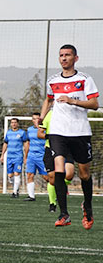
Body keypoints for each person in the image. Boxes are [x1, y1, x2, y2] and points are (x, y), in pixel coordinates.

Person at [40, 44, 99, 228]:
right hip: (58, 131)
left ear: (75, 58)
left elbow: (94, 104)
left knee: (84, 174)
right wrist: (41, 118)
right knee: (59, 169)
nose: (64, 58)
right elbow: (49, 99)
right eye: (61, 55)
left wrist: (72, 100)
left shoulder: (84, 79)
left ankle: (87, 207)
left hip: (80, 132)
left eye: (67, 55)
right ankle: (64, 214)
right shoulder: (53, 80)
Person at [38, 110, 74, 213]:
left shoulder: (71, 113)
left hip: (67, 149)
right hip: (50, 149)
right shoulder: (50, 114)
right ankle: (52, 204)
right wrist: (50, 137)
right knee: (52, 180)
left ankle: (60, 188)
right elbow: (39, 134)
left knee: (69, 175)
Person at [0, 118, 28, 198]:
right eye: (12, 122)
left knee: (17, 173)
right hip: (9, 157)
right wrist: (2, 155)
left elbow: (25, 144)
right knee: (10, 176)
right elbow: (5, 143)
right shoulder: (8, 133)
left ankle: (15, 192)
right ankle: (16, 187)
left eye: (15, 122)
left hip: (18, 157)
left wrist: (26, 155)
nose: (14, 124)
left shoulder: (22, 133)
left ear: (18, 124)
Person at [24, 112, 47, 201]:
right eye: (34, 119)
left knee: (46, 177)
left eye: (37, 118)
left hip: (42, 156)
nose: (35, 120)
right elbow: (27, 143)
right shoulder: (29, 130)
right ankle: (31, 196)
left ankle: (56, 193)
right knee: (29, 174)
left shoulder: (45, 129)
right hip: (31, 156)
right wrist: (26, 157)